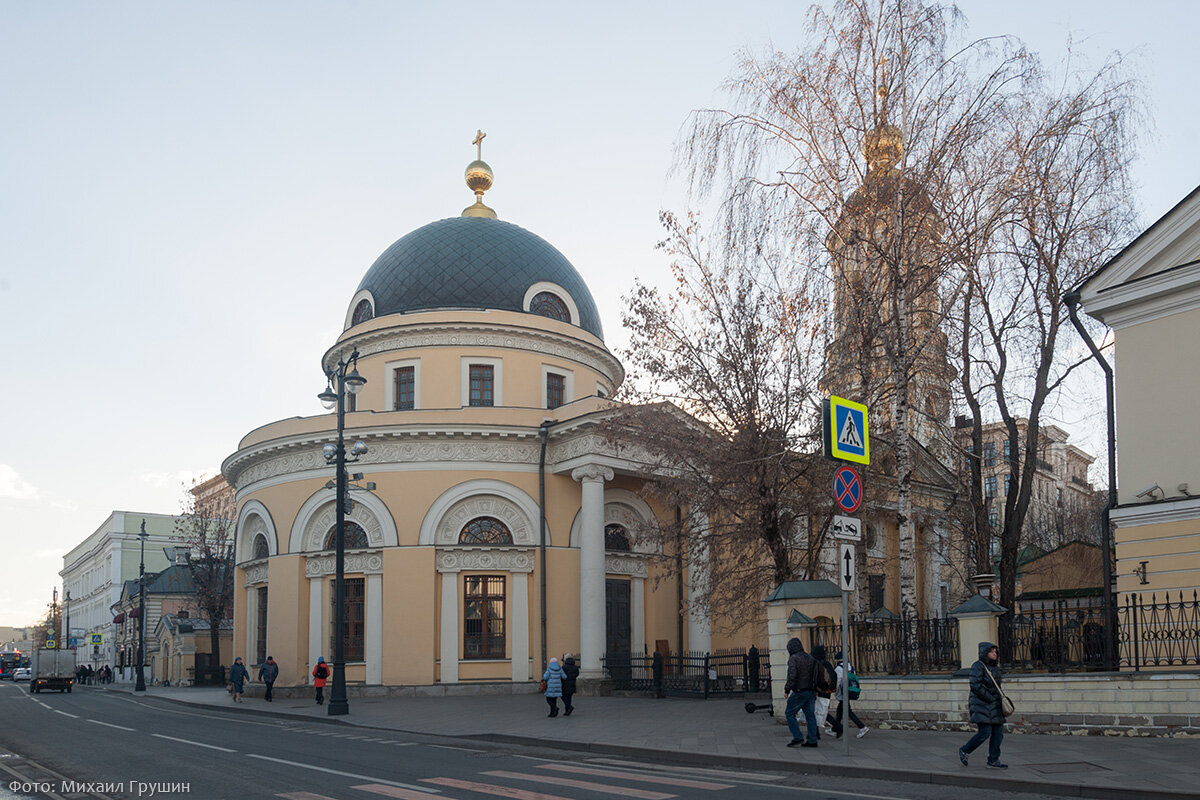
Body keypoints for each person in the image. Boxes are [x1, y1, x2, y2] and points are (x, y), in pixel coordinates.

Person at [959, 641, 1008, 769]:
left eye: (995, 652)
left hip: (995, 706)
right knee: (985, 732)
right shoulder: (978, 666)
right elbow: (975, 685)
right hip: (981, 704)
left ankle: (993, 760)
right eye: (991, 652)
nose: (994, 654)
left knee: (998, 733)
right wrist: (989, 697)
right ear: (984, 653)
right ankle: (965, 750)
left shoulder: (996, 668)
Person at [783, 637, 818, 748]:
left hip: (799, 691)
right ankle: (812, 740)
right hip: (811, 691)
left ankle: (797, 737)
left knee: (789, 713)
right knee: (810, 716)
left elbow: (792, 676)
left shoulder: (794, 658)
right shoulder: (810, 657)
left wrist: (787, 689)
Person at [834, 651, 869, 738]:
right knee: (840, 711)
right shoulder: (851, 667)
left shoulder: (838, 669)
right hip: (850, 691)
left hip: (843, 693)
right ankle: (834, 729)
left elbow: (837, 682)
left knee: (848, 712)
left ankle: (862, 727)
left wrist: (835, 692)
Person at [811, 645, 841, 738]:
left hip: (818, 691)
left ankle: (837, 726)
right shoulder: (827, 664)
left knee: (816, 711)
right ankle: (816, 733)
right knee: (821, 711)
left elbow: (814, 678)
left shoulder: (816, 664)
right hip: (827, 691)